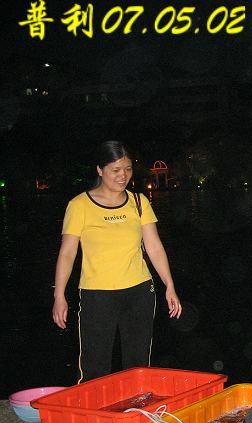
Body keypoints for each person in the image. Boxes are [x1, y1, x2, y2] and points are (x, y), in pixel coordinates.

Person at [52, 141, 182, 381]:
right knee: (94, 367)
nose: (123, 175)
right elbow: (67, 253)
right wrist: (59, 295)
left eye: (128, 169)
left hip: (139, 292)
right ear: (100, 170)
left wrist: (169, 285)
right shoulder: (79, 205)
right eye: (115, 170)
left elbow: (154, 246)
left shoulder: (139, 202)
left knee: (138, 366)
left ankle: (135, 405)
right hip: (97, 295)